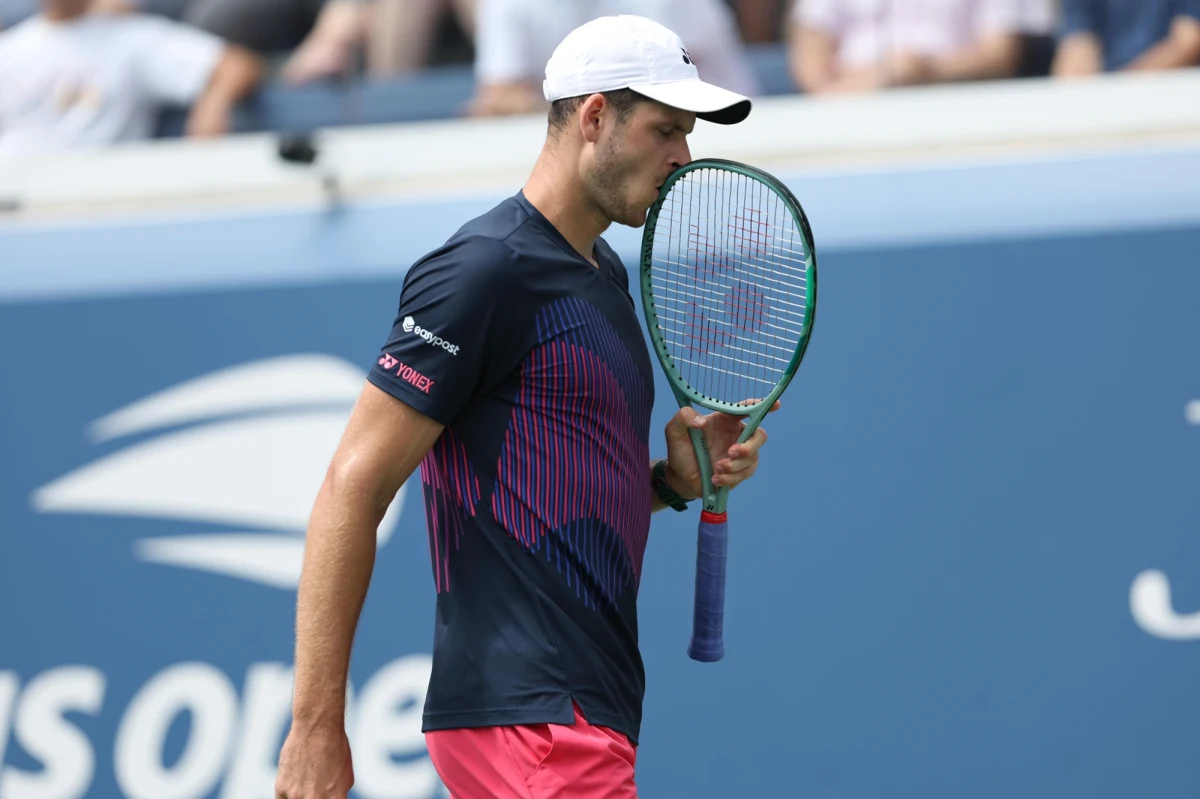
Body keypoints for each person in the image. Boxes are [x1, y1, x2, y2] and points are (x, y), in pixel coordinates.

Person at [274, 14, 773, 799]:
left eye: (688, 135)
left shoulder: (603, 274)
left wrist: (669, 483)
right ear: (595, 116)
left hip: (572, 712)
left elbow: (546, 489)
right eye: (665, 131)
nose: (684, 157)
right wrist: (313, 725)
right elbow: (352, 485)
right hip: (535, 719)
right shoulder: (485, 270)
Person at [0, 0, 261, 160]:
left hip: (99, 195)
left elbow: (236, 64)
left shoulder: (133, 37)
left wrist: (212, 105)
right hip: (15, 194)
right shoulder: (10, 48)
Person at [469, 0, 757, 117]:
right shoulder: (506, 5)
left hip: (718, 124)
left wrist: (540, 102)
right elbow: (496, 101)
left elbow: (662, 101)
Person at [789, 0, 1056, 94]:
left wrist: (921, 72)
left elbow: (1000, 56)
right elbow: (811, 59)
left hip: (955, 108)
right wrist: (871, 83)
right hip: (847, 111)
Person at [1052, 0, 1200, 76]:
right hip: (1111, 95)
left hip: (1174, 95)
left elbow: (1189, 41)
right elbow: (1077, 46)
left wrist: (1122, 90)